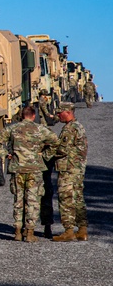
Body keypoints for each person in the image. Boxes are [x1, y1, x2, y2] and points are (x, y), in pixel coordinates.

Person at [0, 105, 60, 242]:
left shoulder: (13, 128)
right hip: (34, 169)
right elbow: (55, 142)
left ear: (22, 116)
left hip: (18, 169)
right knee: (32, 201)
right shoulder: (40, 129)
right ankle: (30, 233)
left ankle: (17, 231)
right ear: (33, 116)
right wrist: (45, 155)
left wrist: (6, 155)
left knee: (19, 200)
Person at [52, 102, 89, 241]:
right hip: (78, 169)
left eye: (59, 113)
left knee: (66, 198)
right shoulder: (79, 126)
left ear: (67, 112)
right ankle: (82, 229)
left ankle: (68, 231)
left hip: (68, 169)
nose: (58, 115)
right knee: (78, 198)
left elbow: (62, 149)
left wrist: (46, 152)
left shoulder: (69, 129)